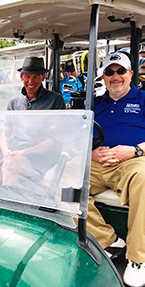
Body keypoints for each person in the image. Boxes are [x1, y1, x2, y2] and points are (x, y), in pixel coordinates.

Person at [0, 56, 65, 193]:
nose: (31, 81)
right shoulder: (14, 102)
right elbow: (5, 134)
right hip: (14, 152)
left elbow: (56, 141)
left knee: (10, 164)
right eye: (27, 76)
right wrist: (5, 151)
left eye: (36, 77)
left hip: (41, 156)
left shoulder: (55, 100)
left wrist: (23, 152)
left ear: (43, 77)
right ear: (21, 76)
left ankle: (9, 210)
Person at [87, 52, 145, 287]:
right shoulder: (96, 103)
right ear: (103, 76)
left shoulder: (142, 98)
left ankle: (137, 258)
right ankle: (107, 240)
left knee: (143, 178)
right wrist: (91, 153)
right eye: (110, 72)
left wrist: (134, 150)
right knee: (57, 178)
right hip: (97, 163)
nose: (115, 76)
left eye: (120, 71)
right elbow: (79, 135)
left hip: (131, 162)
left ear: (131, 74)